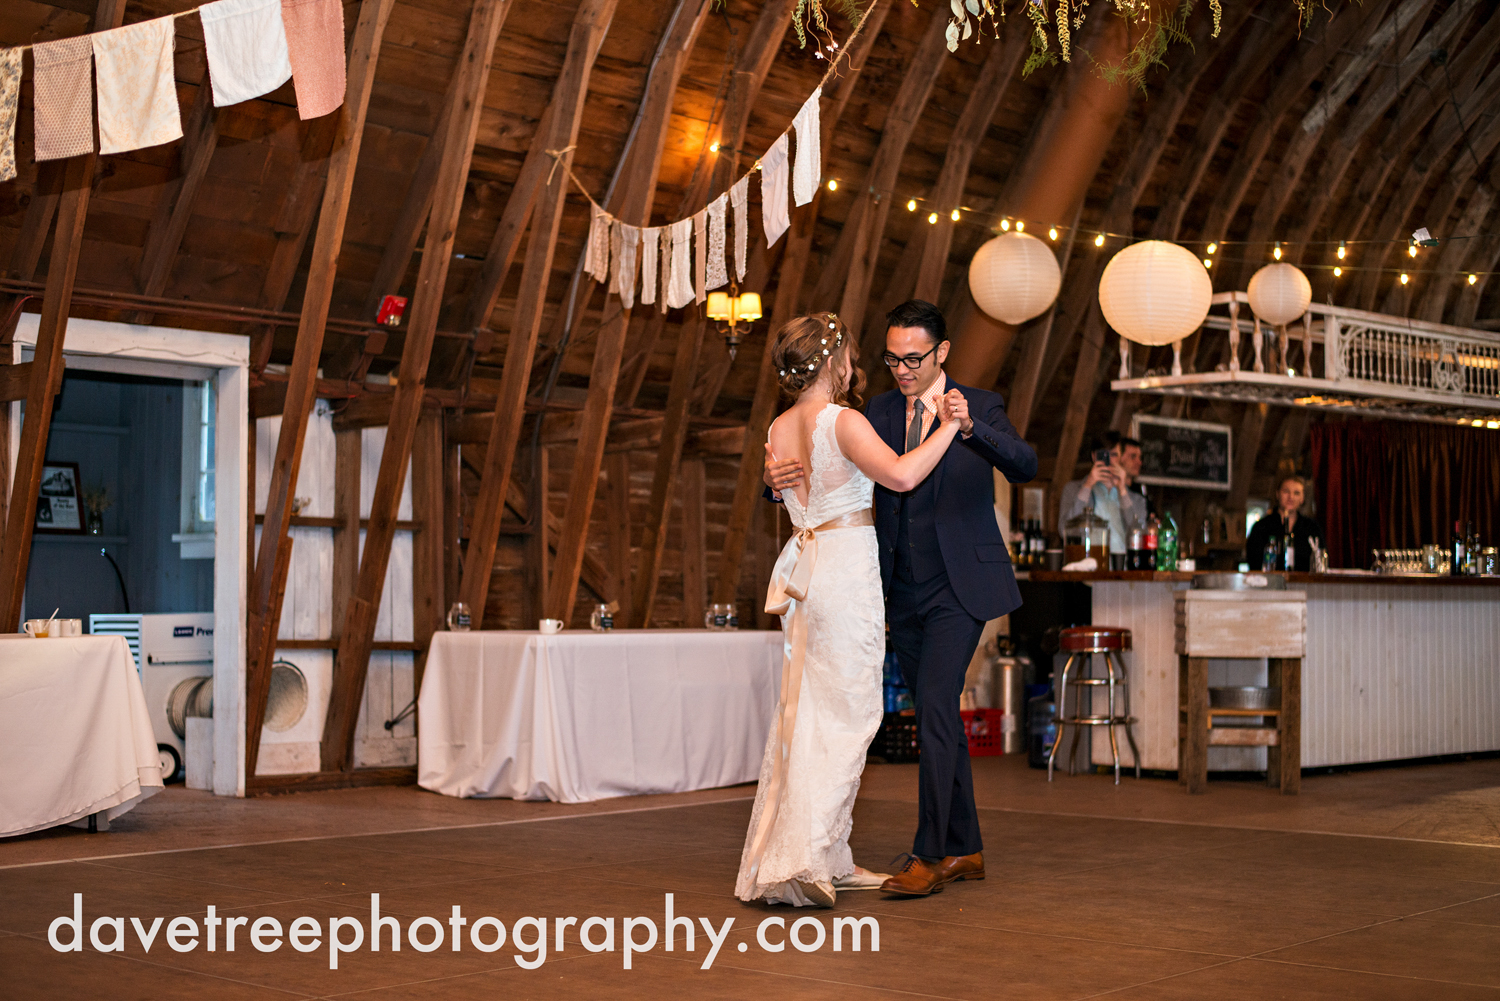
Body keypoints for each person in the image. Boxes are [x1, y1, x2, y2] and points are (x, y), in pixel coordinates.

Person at [765, 299, 1036, 898]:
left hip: (960, 587)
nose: (902, 369)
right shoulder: (873, 411)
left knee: (936, 706)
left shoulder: (979, 403)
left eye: (914, 358)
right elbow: (829, 466)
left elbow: (1024, 464)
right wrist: (773, 484)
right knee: (936, 714)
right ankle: (967, 847)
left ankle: (931, 854)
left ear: (941, 353)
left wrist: (970, 428)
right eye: (891, 358)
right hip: (895, 589)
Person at [736, 311, 961, 909]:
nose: (857, 368)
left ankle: (823, 854)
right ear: (835, 362)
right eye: (852, 358)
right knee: (851, 714)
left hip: (809, 574)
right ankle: (807, 856)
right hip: (842, 575)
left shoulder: (780, 427)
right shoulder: (842, 420)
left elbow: (790, 488)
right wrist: (947, 427)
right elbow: (903, 475)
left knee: (809, 711)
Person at [1057, 435, 1147, 565]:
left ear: (1121, 458)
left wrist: (1122, 490)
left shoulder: (1136, 498)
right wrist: (1087, 486)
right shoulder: (1073, 489)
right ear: (1094, 457)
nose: (1109, 460)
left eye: (1114, 455)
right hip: (1087, 569)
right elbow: (1064, 530)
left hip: (1124, 569)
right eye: (1105, 455)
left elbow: (1140, 534)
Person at [1245, 474, 1323, 571]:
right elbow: (1253, 561)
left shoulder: (1311, 528)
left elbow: (1320, 559)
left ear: (1302, 498)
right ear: (1277, 494)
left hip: (1303, 584)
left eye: (1296, 493)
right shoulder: (1261, 527)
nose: (1291, 497)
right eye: (1286, 491)